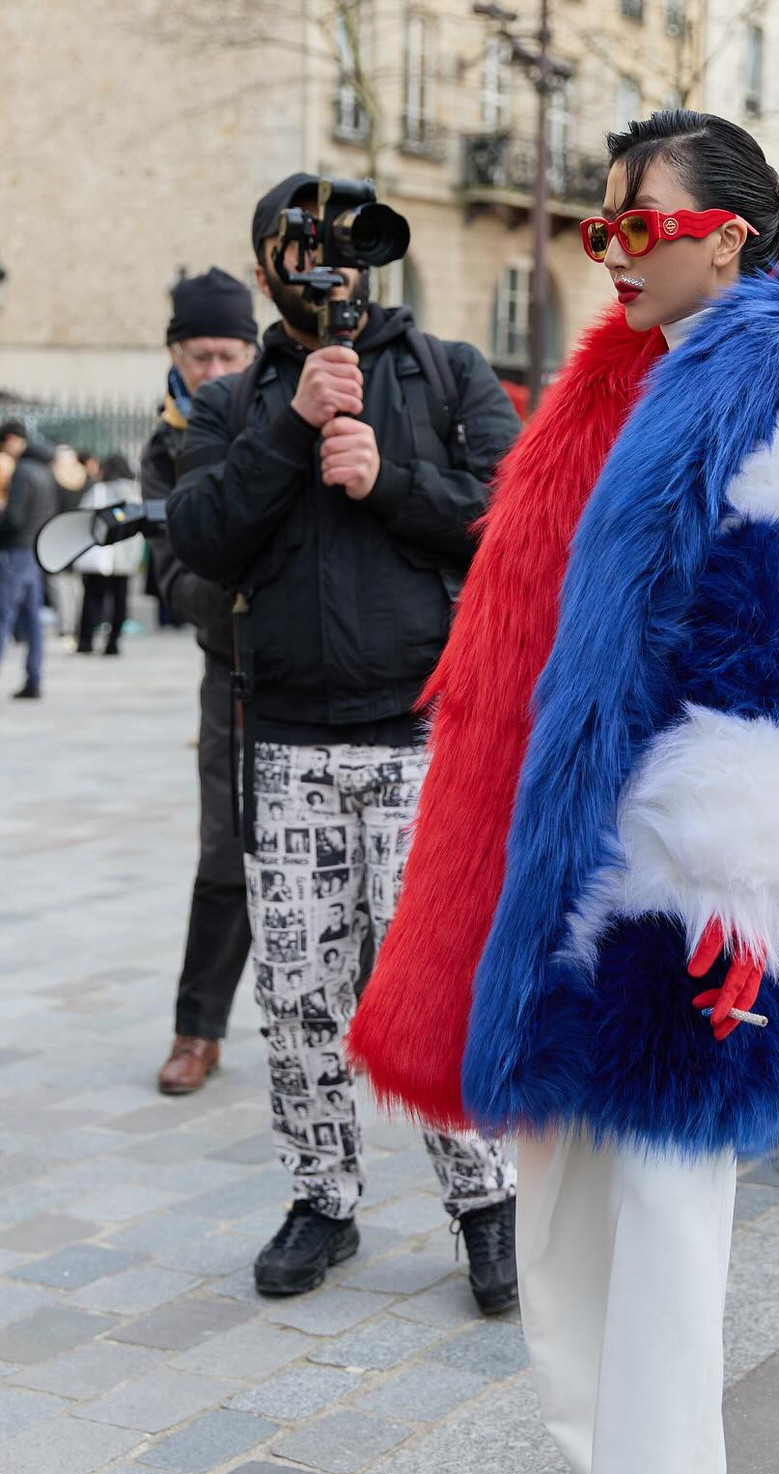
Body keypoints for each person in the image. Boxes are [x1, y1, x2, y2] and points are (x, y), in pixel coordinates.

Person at [348, 110, 779, 1474]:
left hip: (682, 889)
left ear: (727, 233)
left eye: (632, 225)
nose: (609, 251)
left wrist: (734, 899)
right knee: (564, 1225)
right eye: (599, 228)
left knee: (659, 1242)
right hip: (557, 873)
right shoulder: (620, 381)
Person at [166, 175, 523, 1310]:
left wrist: (388, 482)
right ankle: (322, 1201)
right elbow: (200, 539)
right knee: (299, 993)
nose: (338, 271)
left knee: (433, 981)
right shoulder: (236, 400)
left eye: (352, 250)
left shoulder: (447, 370)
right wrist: (290, 426)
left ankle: (487, 1204)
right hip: (285, 744)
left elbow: (515, 519)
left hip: (421, 736)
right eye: (310, 251)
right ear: (270, 269)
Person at [145, 268, 261, 1096]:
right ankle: (198, 1029)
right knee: (225, 850)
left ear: (251, 352)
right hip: (230, 669)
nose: (214, 370)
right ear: (175, 356)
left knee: (362, 855)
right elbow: (173, 577)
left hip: (325, 673)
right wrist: (243, 587)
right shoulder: (165, 446)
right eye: (199, 355)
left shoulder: (292, 410)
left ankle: (368, 1022)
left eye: (228, 354)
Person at [0, 418, 57, 699]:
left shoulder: (24, 471)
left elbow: (14, 518)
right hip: (36, 550)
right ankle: (34, 679)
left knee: (3, 616)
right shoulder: (45, 469)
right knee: (33, 620)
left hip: (16, 551)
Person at [74, 455, 144, 654]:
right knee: (119, 602)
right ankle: (113, 643)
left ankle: (85, 642)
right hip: (124, 559)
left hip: (99, 555)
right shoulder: (135, 493)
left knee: (91, 599)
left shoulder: (99, 491)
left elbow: (83, 518)